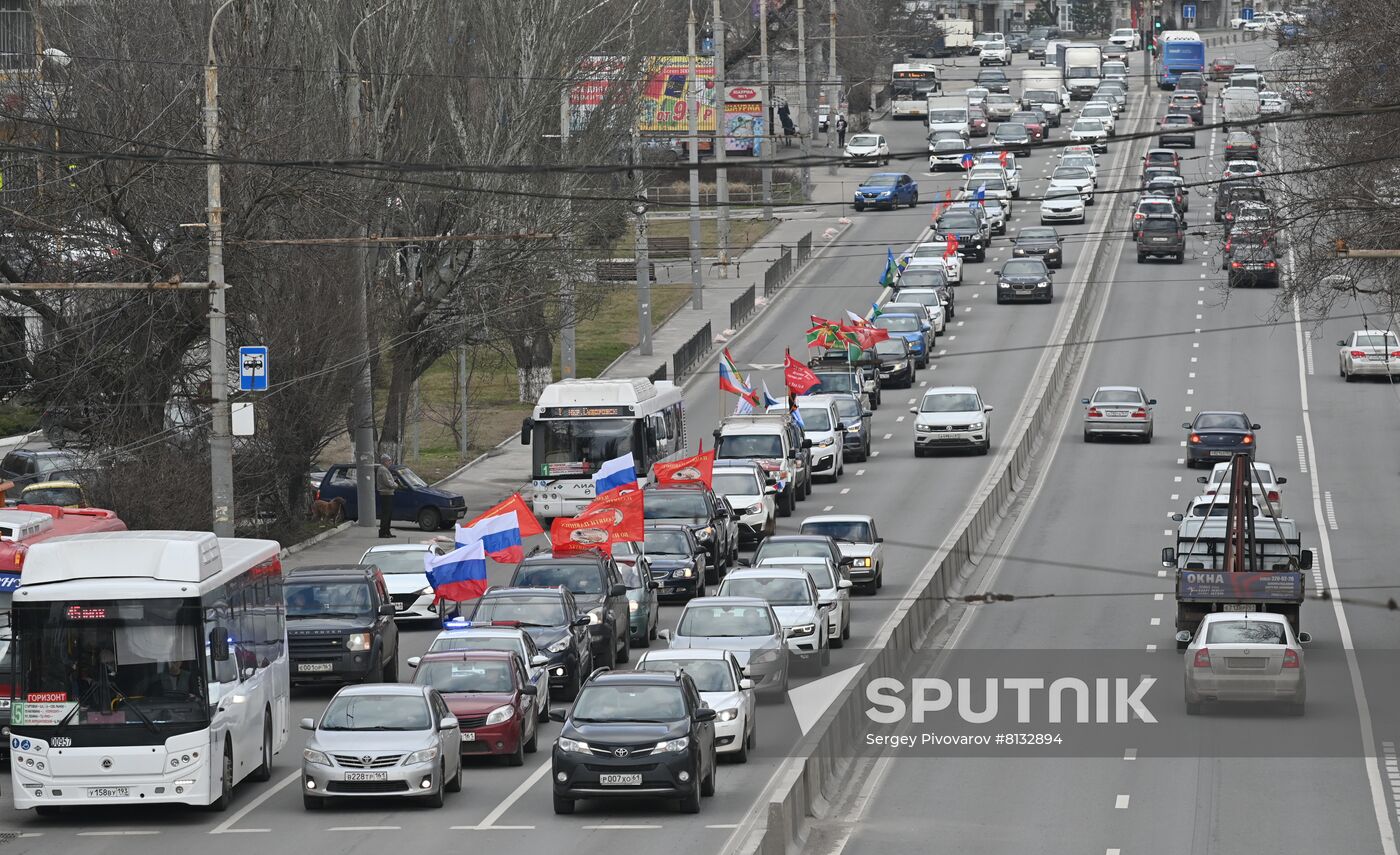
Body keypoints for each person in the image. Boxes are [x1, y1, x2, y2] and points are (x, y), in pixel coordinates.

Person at [376, 455, 397, 538]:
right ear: (384, 461)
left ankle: (387, 531)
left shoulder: (384, 469)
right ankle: (383, 532)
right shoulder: (383, 470)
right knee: (386, 514)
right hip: (386, 493)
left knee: (388, 514)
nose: (390, 462)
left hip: (388, 493)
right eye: (389, 460)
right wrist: (396, 485)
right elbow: (388, 483)